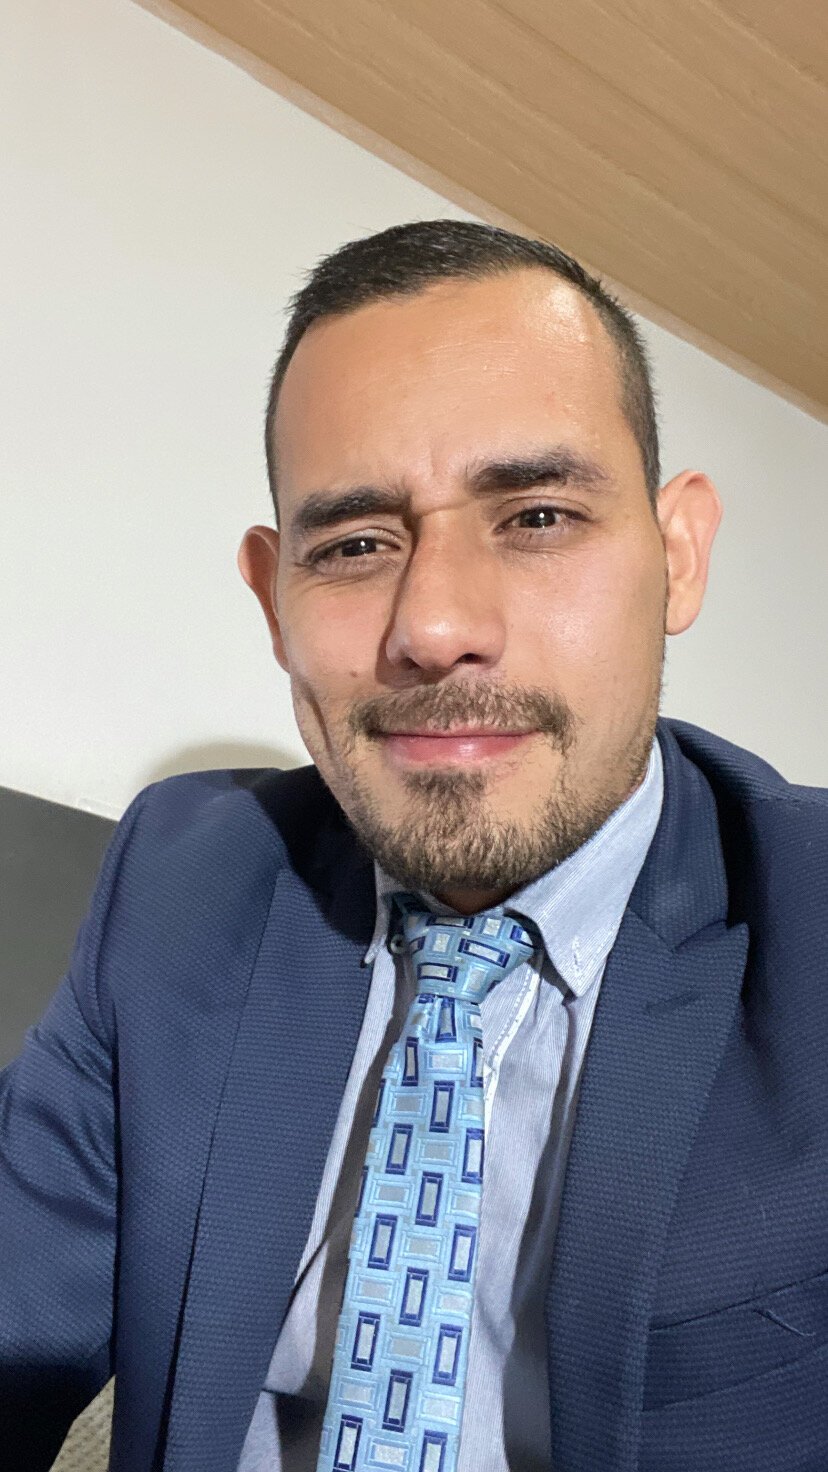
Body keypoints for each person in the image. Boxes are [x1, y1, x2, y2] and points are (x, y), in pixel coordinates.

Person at [2, 219, 826, 1472]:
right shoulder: (181, 882)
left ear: (677, 554)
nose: (435, 625)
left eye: (537, 515)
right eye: (354, 545)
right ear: (273, 597)